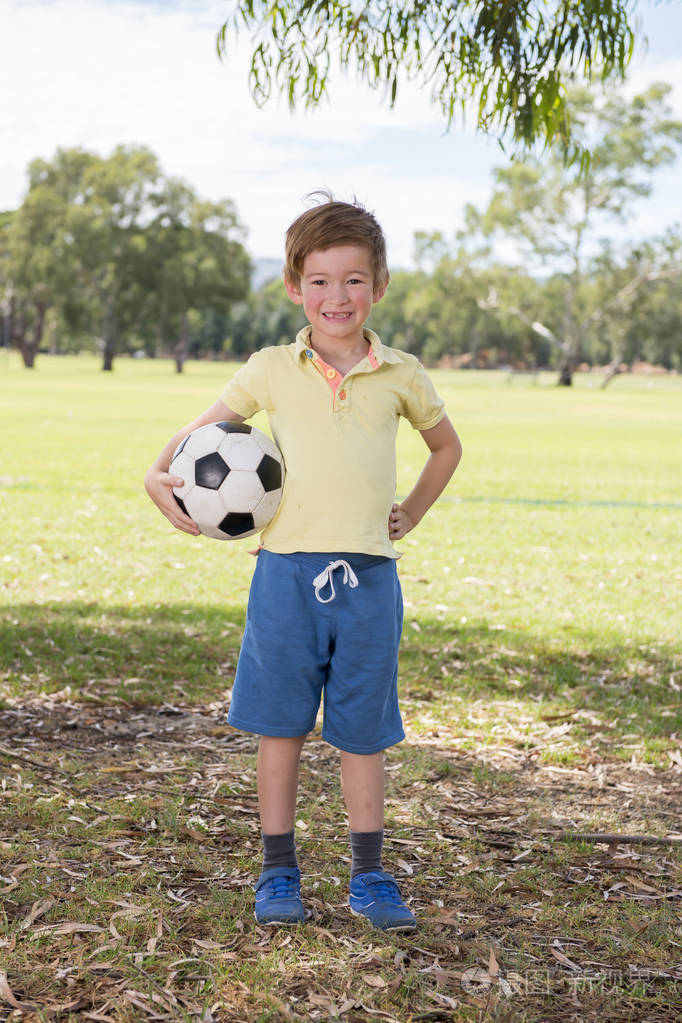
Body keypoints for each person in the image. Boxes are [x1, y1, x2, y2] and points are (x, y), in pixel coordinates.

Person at [145, 194, 462, 931]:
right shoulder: (270, 369)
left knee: (362, 729)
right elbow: (194, 437)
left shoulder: (403, 375)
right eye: (319, 280)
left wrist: (410, 512)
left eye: (354, 279)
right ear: (295, 286)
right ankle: (278, 868)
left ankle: (369, 873)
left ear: (379, 285)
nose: (337, 296)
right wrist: (155, 476)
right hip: (285, 577)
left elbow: (446, 447)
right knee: (280, 725)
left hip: (370, 580)